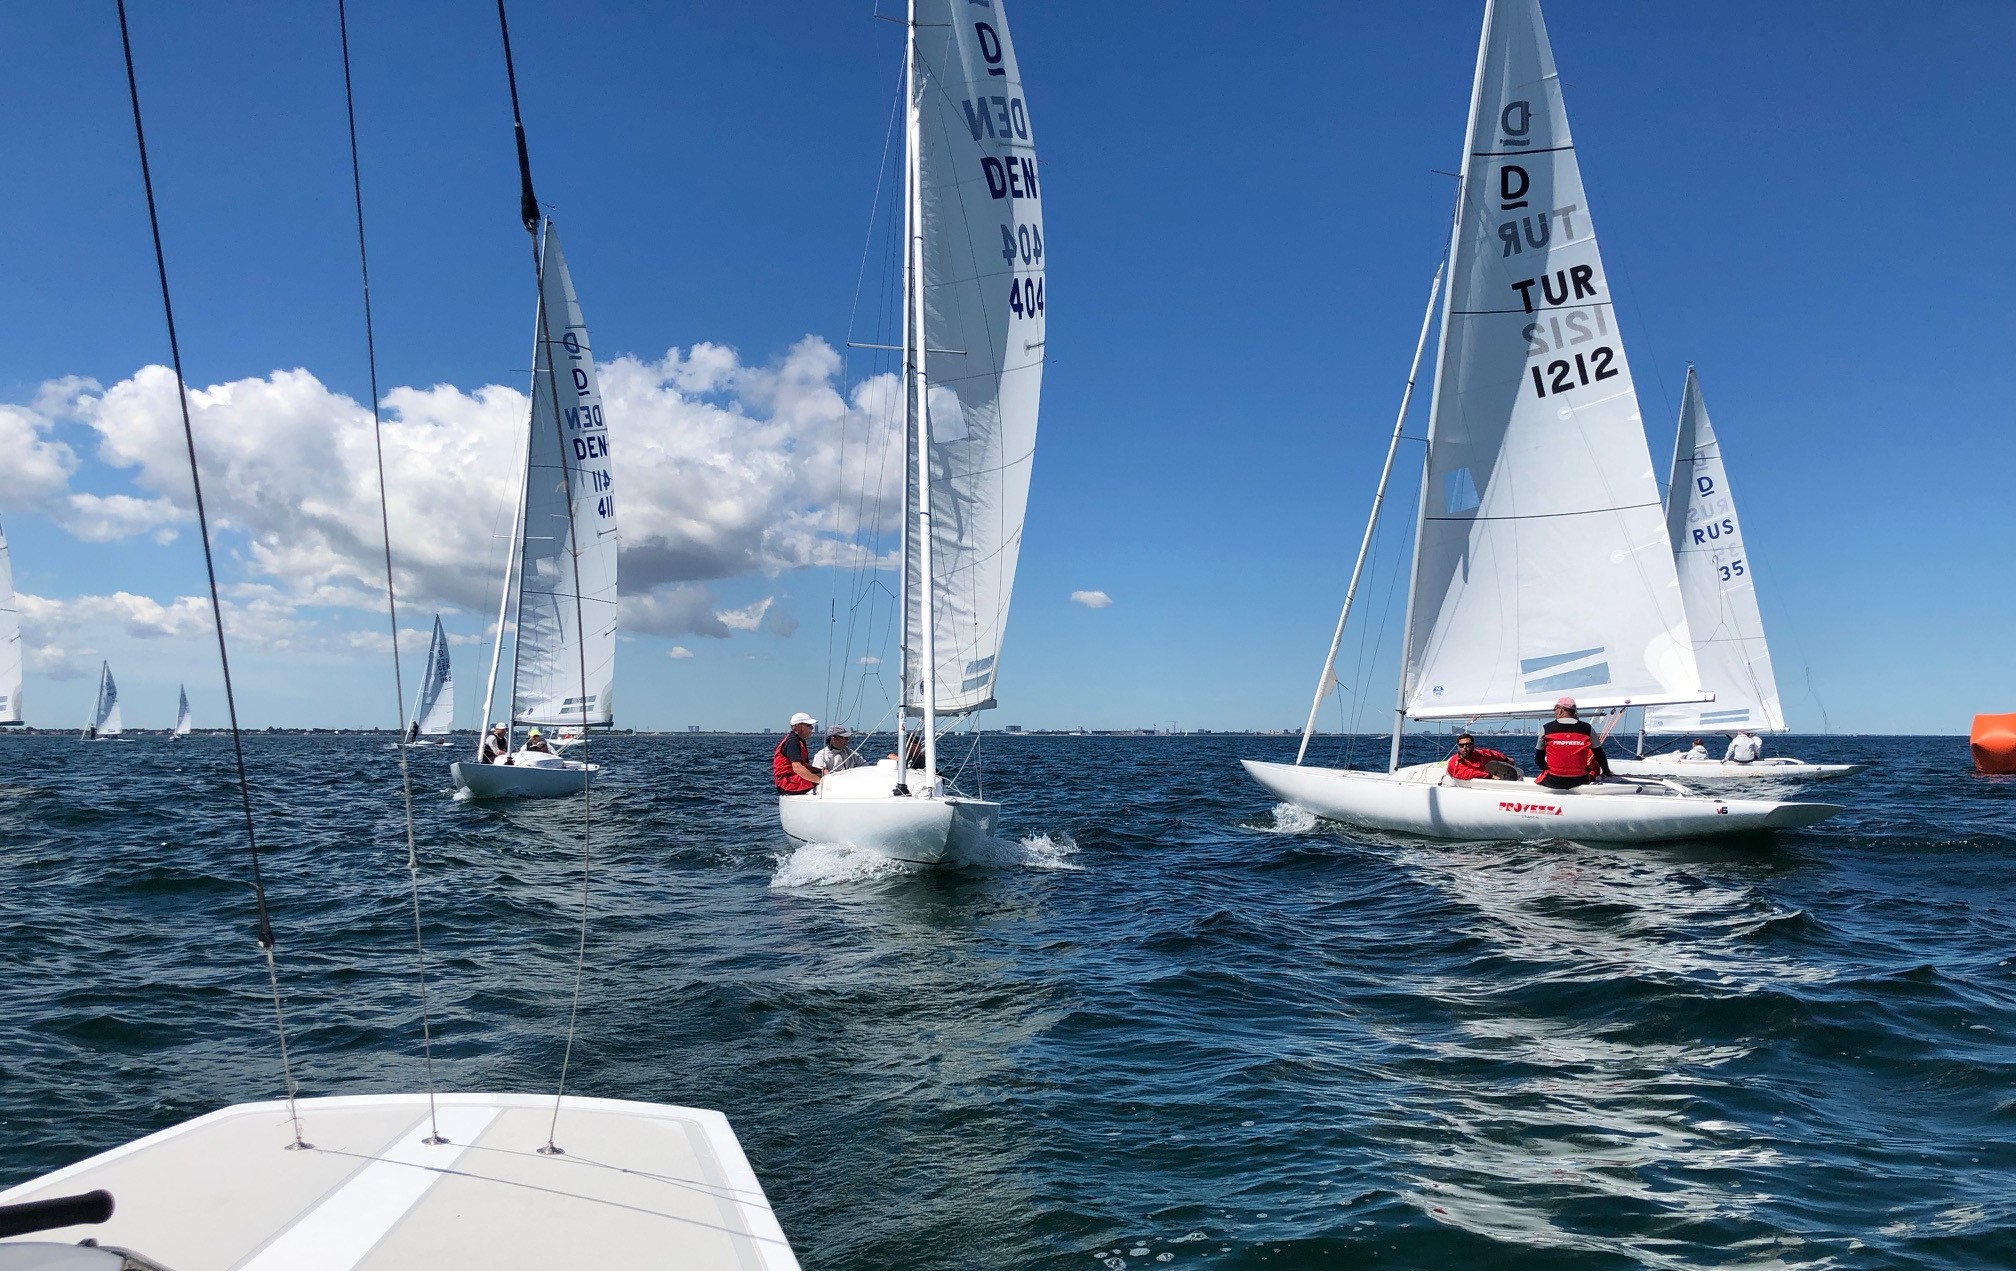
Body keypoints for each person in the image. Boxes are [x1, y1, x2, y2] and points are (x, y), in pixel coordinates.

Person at [1534, 696, 1611, 790]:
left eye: (1555, 709)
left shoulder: (1546, 728)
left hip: (1553, 780)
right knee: (1592, 770)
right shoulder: (1588, 728)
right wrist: (1606, 771)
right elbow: (1600, 754)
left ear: (1560, 710)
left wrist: (1546, 767)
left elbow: (1538, 759)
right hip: (1580, 780)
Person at [773, 711, 823, 795]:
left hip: (794, 779)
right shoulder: (792, 742)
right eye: (809, 725)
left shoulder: (800, 742)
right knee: (827, 782)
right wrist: (820, 781)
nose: (812, 728)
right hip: (787, 783)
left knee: (828, 777)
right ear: (798, 727)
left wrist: (822, 771)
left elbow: (806, 767)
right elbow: (797, 768)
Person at [1446, 733, 1518, 781]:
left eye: (1468, 745)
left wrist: (1505, 759)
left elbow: (1491, 753)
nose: (1464, 748)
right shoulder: (1454, 761)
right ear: (1458, 747)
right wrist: (1489, 776)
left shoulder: (1479, 754)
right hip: (1465, 787)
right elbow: (1467, 774)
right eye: (1461, 746)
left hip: (1484, 782)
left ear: (1473, 746)